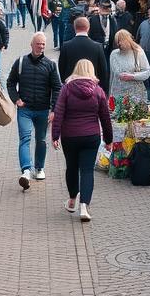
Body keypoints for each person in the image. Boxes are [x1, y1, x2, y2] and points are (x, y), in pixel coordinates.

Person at [53, 60, 113, 222]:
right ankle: (84, 206)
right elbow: (105, 117)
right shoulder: (98, 91)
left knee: (71, 168)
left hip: (69, 136)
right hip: (91, 136)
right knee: (87, 171)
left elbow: (59, 112)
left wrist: (55, 135)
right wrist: (108, 139)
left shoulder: (66, 89)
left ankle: (72, 199)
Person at [8, 31, 62, 189]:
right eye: (38, 44)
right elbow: (10, 82)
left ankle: (39, 168)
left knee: (41, 140)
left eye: (43, 44)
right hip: (25, 109)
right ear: (31, 44)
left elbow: (57, 88)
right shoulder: (20, 62)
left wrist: (53, 110)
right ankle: (26, 170)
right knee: (25, 138)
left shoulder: (51, 65)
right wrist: (16, 99)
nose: (41, 46)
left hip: (43, 109)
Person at [59, 16, 110, 95]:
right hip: (92, 89)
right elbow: (103, 71)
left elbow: (61, 67)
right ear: (88, 28)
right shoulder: (98, 47)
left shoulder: (66, 46)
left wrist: (65, 82)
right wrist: (103, 90)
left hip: (71, 89)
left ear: (74, 27)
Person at [108, 30, 150, 105]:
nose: (118, 44)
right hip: (118, 94)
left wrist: (133, 76)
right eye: (117, 41)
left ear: (126, 40)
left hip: (137, 94)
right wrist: (110, 95)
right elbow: (115, 75)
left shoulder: (138, 52)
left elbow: (147, 72)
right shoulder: (114, 54)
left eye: (119, 41)